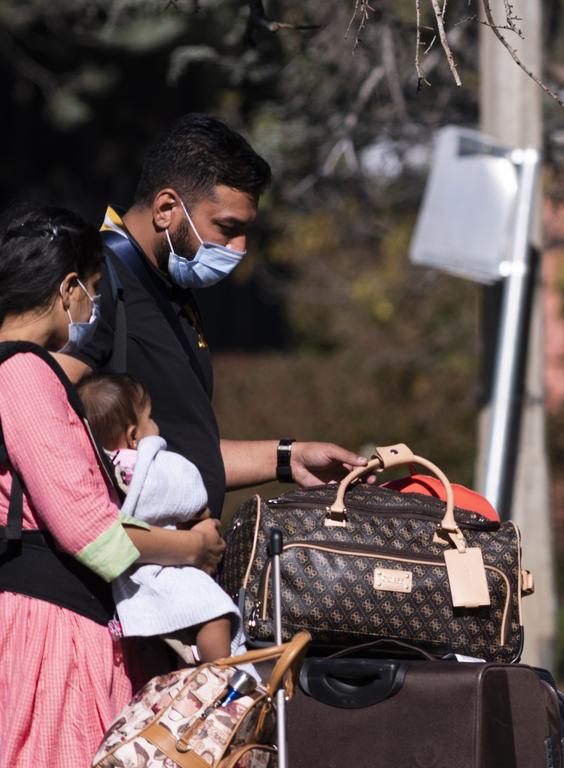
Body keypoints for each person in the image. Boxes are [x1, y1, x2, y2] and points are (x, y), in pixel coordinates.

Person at [0, 207, 225, 768]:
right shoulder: (22, 374)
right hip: (52, 634)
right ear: (68, 288)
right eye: (93, 292)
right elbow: (92, 532)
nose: (92, 309)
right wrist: (192, 549)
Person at [57, 113, 365, 518]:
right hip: (125, 568)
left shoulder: (172, 291)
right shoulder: (96, 282)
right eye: (226, 227)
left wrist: (289, 458)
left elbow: (187, 452)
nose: (239, 248)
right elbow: (46, 422)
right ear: (166, 208)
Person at [78, 372, 244, 663]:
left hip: (132, 579)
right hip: (165, 565)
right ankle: (218, 672)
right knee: (215, 612)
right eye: (150, 419)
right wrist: (201, 511)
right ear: (133, 436)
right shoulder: (149, 465)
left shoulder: (99, 469)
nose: (156, 426)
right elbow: (187, 491)